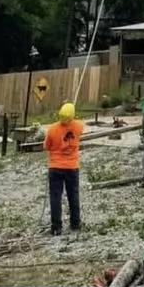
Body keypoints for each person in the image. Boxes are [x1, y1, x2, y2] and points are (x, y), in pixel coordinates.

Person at [43, 101, 84, 236]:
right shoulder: (79, 126)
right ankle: (75, 224)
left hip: (55, 166)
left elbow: (46, 146)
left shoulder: (52, 129)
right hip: (72, 167)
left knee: (55, 196)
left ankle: (56, 227)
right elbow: (78, 126)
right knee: (73, 195)